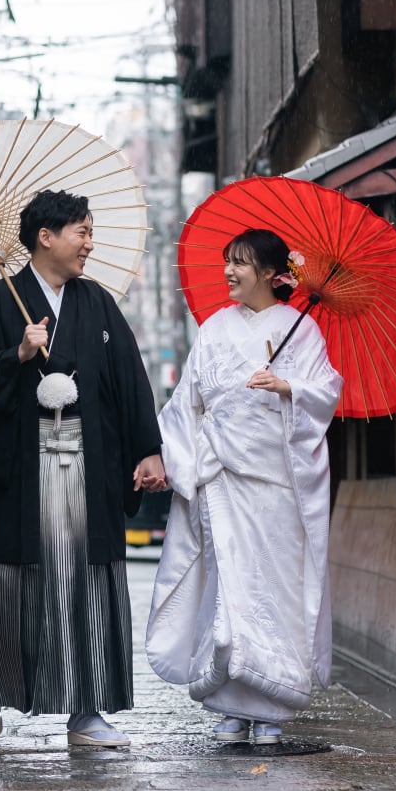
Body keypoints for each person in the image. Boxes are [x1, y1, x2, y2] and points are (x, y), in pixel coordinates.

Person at [0, 189, 166, 748]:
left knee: (88, 585)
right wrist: (16, 358)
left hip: (87, 463)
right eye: (82, 231)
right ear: (44, 236)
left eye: (91, 232)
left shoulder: (96, 303)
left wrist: (148, 449)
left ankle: (87, 710)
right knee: (9, 585)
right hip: (22, 466)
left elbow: (129, 380)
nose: (89, 243)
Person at [146, 228, 342, 745]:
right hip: (222, 479)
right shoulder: (213, 329)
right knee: (225, 587)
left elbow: (325, 393)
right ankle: (230, 702)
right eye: (227, 262)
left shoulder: (302, 333)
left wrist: (289, 387)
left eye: (241, 264)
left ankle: (272, 706)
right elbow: (187, 403)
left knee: (271, 587)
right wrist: (176, 460)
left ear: (273, 274)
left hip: (276, 482)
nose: (230, 272)